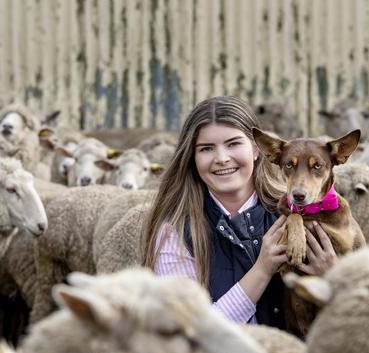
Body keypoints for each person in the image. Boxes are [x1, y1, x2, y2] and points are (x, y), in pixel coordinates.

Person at [140, 96, 336, 329]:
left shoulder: (306, 212)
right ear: (192, 158)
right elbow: (190, 330)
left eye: (233, 144)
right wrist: (262, 269)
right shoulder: (177, 232)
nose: (222, 158)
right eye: (206, 148)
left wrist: (333, 278)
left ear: (257, 150)